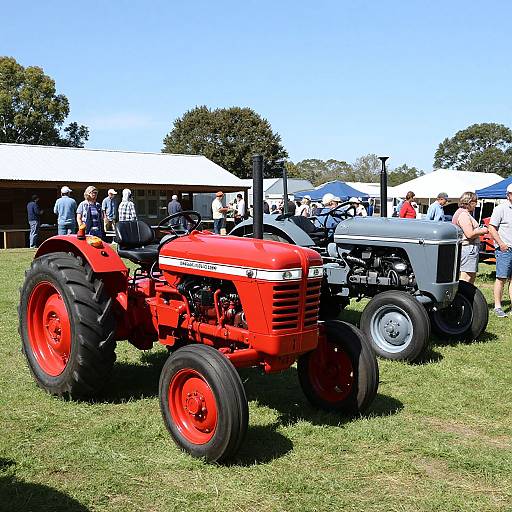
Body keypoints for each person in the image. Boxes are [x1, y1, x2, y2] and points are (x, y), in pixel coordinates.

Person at [451, 191, 488, 284]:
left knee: (468, 276)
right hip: (468, 248)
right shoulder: (464, 215)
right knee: (467, 277)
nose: (476, 204)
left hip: (467, 248)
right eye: (475, 202)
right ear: (469, 202)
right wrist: (483, 230)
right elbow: (469, 234)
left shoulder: (461, 212)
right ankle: (463, 297)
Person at [488, 183, 512, 317]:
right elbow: (492, 227)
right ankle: (498, 306)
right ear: (508, 195)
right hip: (505, 248)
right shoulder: (500, 209)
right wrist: (501, 243)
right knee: (501, 278)